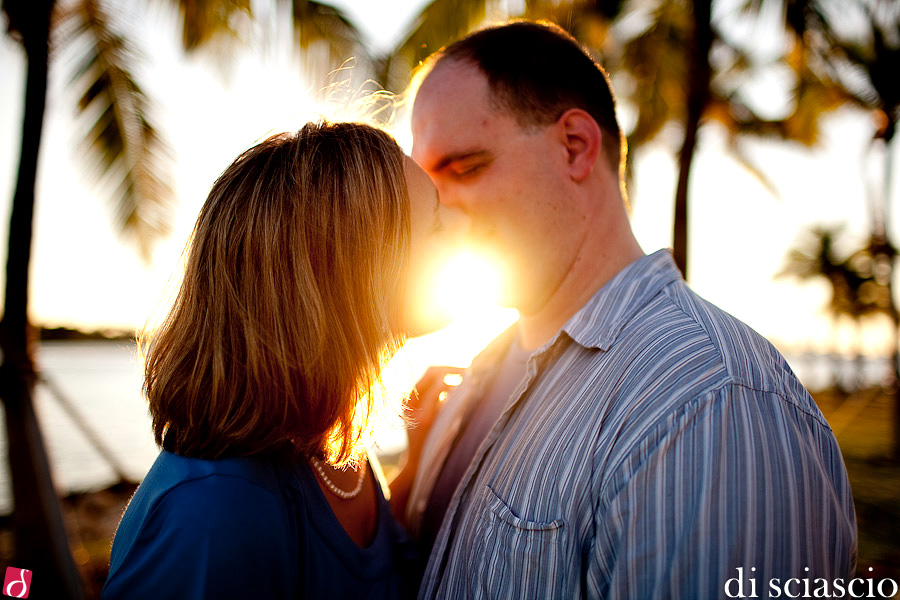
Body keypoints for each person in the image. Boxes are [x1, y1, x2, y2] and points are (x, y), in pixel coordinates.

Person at [400, 21, 857, 599]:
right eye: (426, 183)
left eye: (464, 168)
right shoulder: (481, 369)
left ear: (575, 146)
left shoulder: (706, 402)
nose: (437, 207)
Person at [103, 121, 460, 599]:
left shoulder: (330, 439)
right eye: (435, 222)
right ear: (351, 269)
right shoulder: (216, 514)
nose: (462, 225)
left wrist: (415, 465)